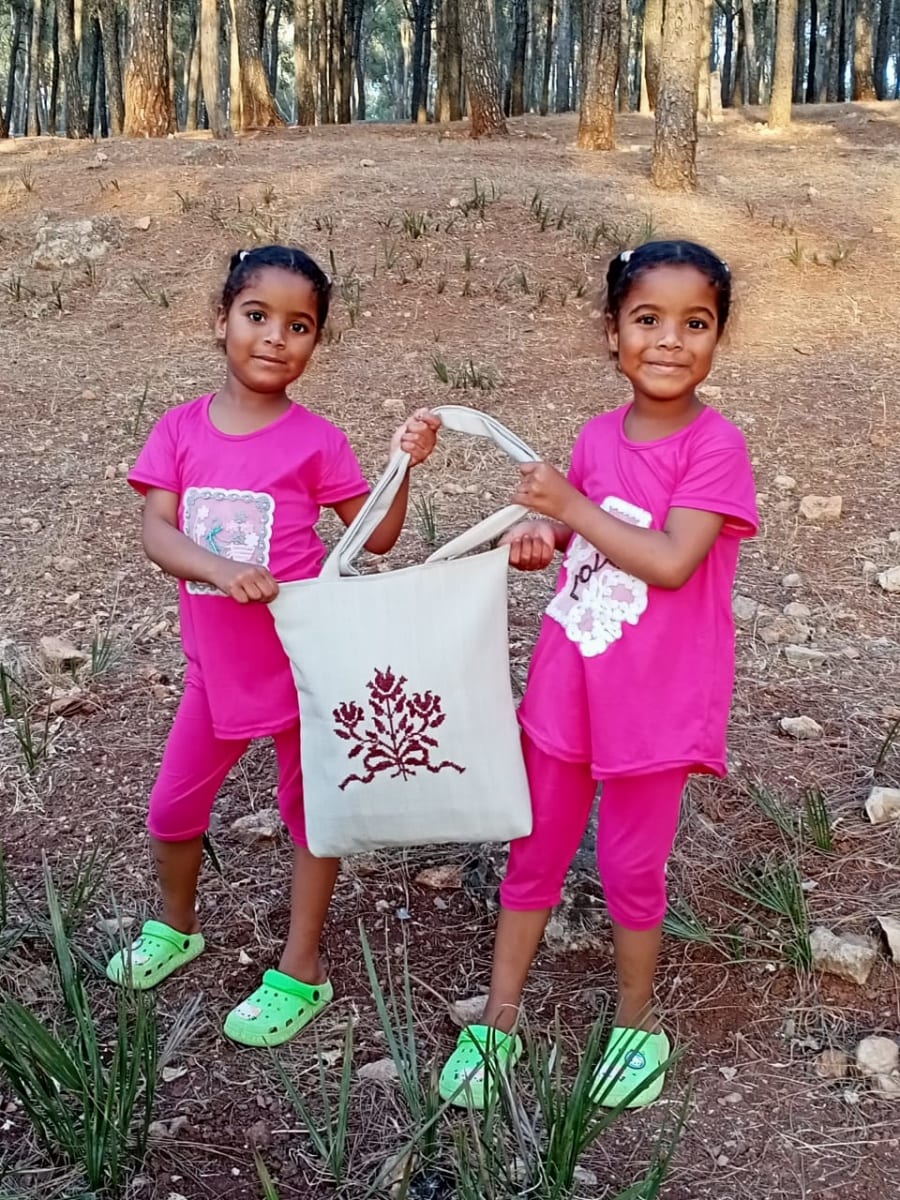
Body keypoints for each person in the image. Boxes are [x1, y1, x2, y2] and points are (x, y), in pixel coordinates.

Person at [439, 240, 758, 1109]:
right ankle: (500, 1018)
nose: (669, 341)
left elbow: (670, 561)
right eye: (647, 319)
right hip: (568, 684)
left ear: (718, 337)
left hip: (654, 703)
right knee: (534, 851)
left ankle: (634, 1019)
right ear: (612, 330)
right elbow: (585, 542)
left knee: (629, 867)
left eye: (695, 323)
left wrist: (568, 508)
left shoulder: (715, 448)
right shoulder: (594, 436)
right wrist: (540, 539)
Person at [106, 245, 440, 1047]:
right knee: (171, 811)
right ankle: (177, 924)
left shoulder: (316, 440)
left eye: (300, 326)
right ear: (220, 320)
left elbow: (379, 537)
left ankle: (302, 966)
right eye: (257, 316)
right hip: (214, 671)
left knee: (310, 818)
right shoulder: (180, 429)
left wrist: (402, 467)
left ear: (314, 343)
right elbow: (156, 528)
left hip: (301, 669)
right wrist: (223, 569)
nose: (275, 338)